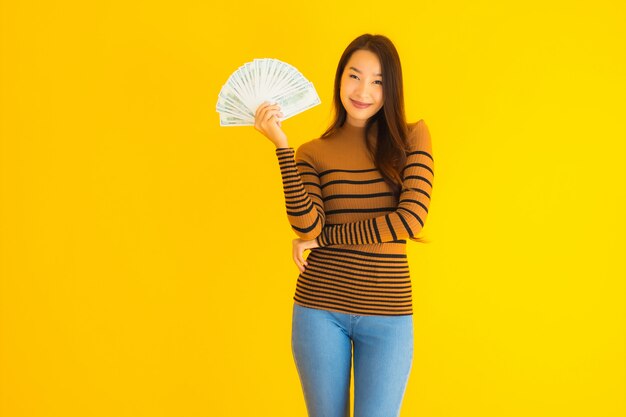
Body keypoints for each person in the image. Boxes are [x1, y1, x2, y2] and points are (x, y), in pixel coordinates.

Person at [254, 33, 434, 417]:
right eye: (354, 76)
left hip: (387, 313)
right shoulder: (313, 152)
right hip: (319, 308)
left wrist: (325, 240)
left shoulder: (412, 136)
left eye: (377, 80)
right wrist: (282, 148)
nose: (363, 90)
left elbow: (410, 219)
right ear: (339, 79)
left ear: (391, 88)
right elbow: (307, 227)